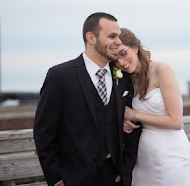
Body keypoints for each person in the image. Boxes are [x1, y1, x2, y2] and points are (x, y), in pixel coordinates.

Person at [33, 13, 141, 186]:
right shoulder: (60, 76)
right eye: (112, 36)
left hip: (115, 178)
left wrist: (125, 168)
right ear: (91, 37)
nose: (119, 42)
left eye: (119, 36)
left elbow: (134, 128)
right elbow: (44, 132)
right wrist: (57, 179)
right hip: (74, 178)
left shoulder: (123, 77)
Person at [116, 28, 190, 186]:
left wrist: (134, 115)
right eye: (115, 60)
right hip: (144, 155)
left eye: (123, 53)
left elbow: (176, 122)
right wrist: (123, 121)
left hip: (172, 154)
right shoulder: (127, 80)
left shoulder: (162, 69)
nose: (121, 63)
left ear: (136, 47)